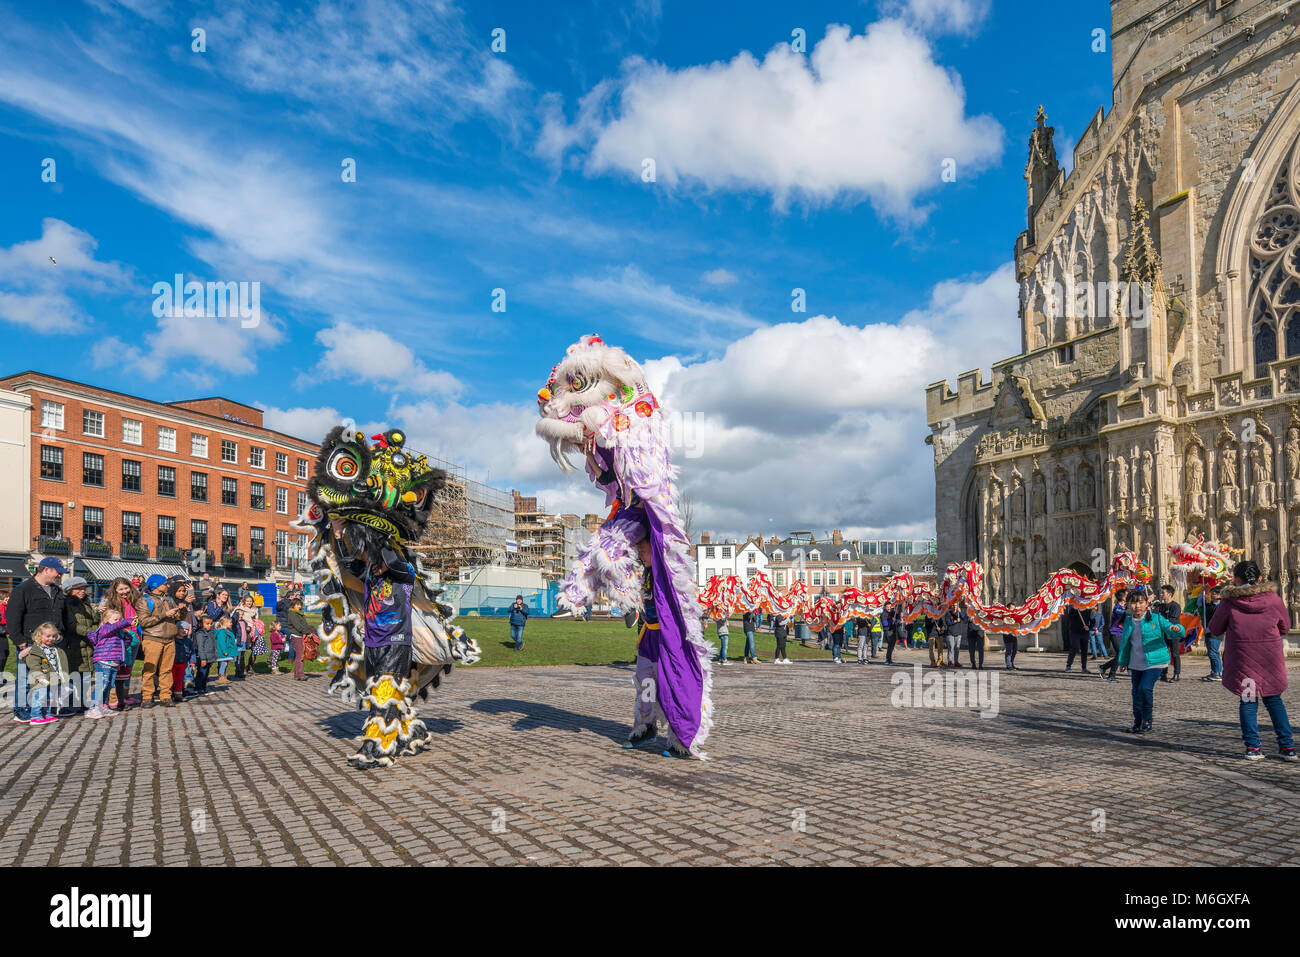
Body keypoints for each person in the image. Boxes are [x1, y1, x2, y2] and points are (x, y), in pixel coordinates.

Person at [1209, 560, 1295, 761]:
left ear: (1236, 580)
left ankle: (1253, 747)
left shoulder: (1229, 602)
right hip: (1269, 659)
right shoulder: (1273, 599)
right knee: (1274, 701)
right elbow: (1285, 627)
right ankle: (1287, 746)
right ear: (1259, 578)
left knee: (1248, 701)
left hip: (1244, 661)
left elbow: (1215, 629)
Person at [1116, 585, 1184, 734]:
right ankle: (1137, 722)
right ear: (1128, 605)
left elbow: (1171, 629)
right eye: (1133, 602)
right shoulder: (1128, 621)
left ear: (1147, 603)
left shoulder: (1156, 618)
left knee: (1144, 689)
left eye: (1141, 602)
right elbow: (1126, 644)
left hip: (1155, 661)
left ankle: (1147, 721)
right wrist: (1123, 662)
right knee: (1135, 693)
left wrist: (1177, 629)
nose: (1137, 606)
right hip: (1135, 662)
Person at [7, 557, 67, 724]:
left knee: (46, 679)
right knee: (26, 679)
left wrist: (61, 635)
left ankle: (40, 710)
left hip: (52, 643)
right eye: (58, 572)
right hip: (29, 642)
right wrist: (19, 640)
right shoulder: (24, 589)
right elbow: (12, 617)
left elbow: (62, 615)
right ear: (46, 569)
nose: (60, 575)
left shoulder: (57, 591)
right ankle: (22, 711)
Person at [137, 573, 185, 707]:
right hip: (153, 638)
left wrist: (182, 609)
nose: (168, 585)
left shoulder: (168, 599)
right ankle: (147, 696)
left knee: (166, 669)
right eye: (165, 584)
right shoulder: (144, 600)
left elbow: (178, 618)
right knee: (150, 669)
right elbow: (144, 621)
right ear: (156, 586)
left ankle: (165, 696)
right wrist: (164, 614)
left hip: (169, 638)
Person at [101, 578, 142, 710]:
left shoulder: (135, 599)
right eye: (121, 589)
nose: (124, 591)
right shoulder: (111, 602)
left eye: (126, 588)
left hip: (134, 636)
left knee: (128, 666)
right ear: (115, 590)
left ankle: (125, 695)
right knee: (117, 667)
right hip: (119, 638)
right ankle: (114, 697)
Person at [84, 608, 133, 717]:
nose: (118, 622)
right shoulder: (105, 629)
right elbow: (114, 626)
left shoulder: (119, 633)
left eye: (120, 619)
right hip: (104, 660)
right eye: (116, 619)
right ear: (106, 620)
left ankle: (104, 705)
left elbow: (126, 643)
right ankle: (93, 707)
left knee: (109, 685)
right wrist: (126, 622)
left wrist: (127, 635)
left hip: (114, 662)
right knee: (102, 684)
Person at [60, 576, 99, 715]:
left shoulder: (85, 603)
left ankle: (82, 702)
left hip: (87, 643)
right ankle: (69, 704)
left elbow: (95, 619)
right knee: (74, 676)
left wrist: (97, 610)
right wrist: (92, 633)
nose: (83, 591)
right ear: (70, 590)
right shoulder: (67, 604)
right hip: (73, 643)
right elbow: (71, 625)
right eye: (79, 588)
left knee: (86, 676)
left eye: (84, 588)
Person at [20, 622, 68, 725]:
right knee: (39, 697)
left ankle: (47, 713)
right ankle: (36, 715)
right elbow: (34, 665)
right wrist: (39, 676)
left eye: (54, 636)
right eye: (48, 636)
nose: (51, 638)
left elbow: (59, 663)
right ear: (39, 636)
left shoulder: (55, 649)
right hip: (40, 679)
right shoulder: (36, 650)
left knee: (50, 697)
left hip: (52, 678)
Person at [1155, 584, 1183, 681]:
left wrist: (1162, 621)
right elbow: (1153, 617)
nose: (1161, 594)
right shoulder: (1159, 606)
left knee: (1175, 654)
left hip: (1173, 633)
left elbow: (1172, 620)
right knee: (1163, 654)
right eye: (1161, 592)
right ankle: (1163, 673)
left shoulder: (1175, 606)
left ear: (1170, 594)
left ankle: (1176, 674)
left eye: (1163, 593)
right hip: (1162, 634)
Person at [1200, 585, 1225, 682]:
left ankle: (1218, 673)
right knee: (1211, 653)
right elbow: (1200, 603)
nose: (1212, 595)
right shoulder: (1209, 606)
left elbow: (1219, 621)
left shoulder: (1222, 607)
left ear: (1219, 595)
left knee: (1214, 652)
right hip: (1208, 632)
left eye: (1214, 594)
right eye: (1211, 593)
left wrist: (1209, 629)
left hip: (1216, 632)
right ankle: (1214, 671)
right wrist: (1202, 593)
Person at [285, 598, 312, 681]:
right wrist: (307, 632)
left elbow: (304, 624)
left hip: (301, 635)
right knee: (300, 655)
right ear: (293, 605)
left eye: (300, 605)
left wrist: (308, 631)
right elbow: (297, 626)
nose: (299, 606)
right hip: (296, 636)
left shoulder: (299, 613)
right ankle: (299, 674)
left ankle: (297, 674)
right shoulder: (292, 613)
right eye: (297, 605)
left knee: (300, 655)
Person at [1063, 606, 1091, 673]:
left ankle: (1084, 667)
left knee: (1084, 650)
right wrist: (1075, 610)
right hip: (1075, 632)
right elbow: (1070, 619)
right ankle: (1068, 666)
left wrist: (1089, 627)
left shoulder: (1088, 609)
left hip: (1084, 632)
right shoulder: (1073, 609)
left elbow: (1092, 620)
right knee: (1075, 648)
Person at [192, 614, 216, 693]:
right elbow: (200, 647)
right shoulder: (200, 633)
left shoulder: (211, 632)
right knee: (201, 673)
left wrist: (214, 656)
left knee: (206, 674)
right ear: (202, 624)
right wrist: (203, 659)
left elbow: (213, 645)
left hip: (209, 657)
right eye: (207, 624)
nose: (209, 625)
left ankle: (203, 687)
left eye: (210, 624)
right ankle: (198, 687)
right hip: (203, 657)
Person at [214, 617, 238, 683]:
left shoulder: (226, 631)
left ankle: (224, 676)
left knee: (225, 663)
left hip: (227, 650)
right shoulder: (222, 632)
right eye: (230, 622)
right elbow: (222, 643)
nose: (231, 624)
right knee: (223, 663)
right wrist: (225, 651)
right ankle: (221, 677)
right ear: (225, 623)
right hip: (224, 651)